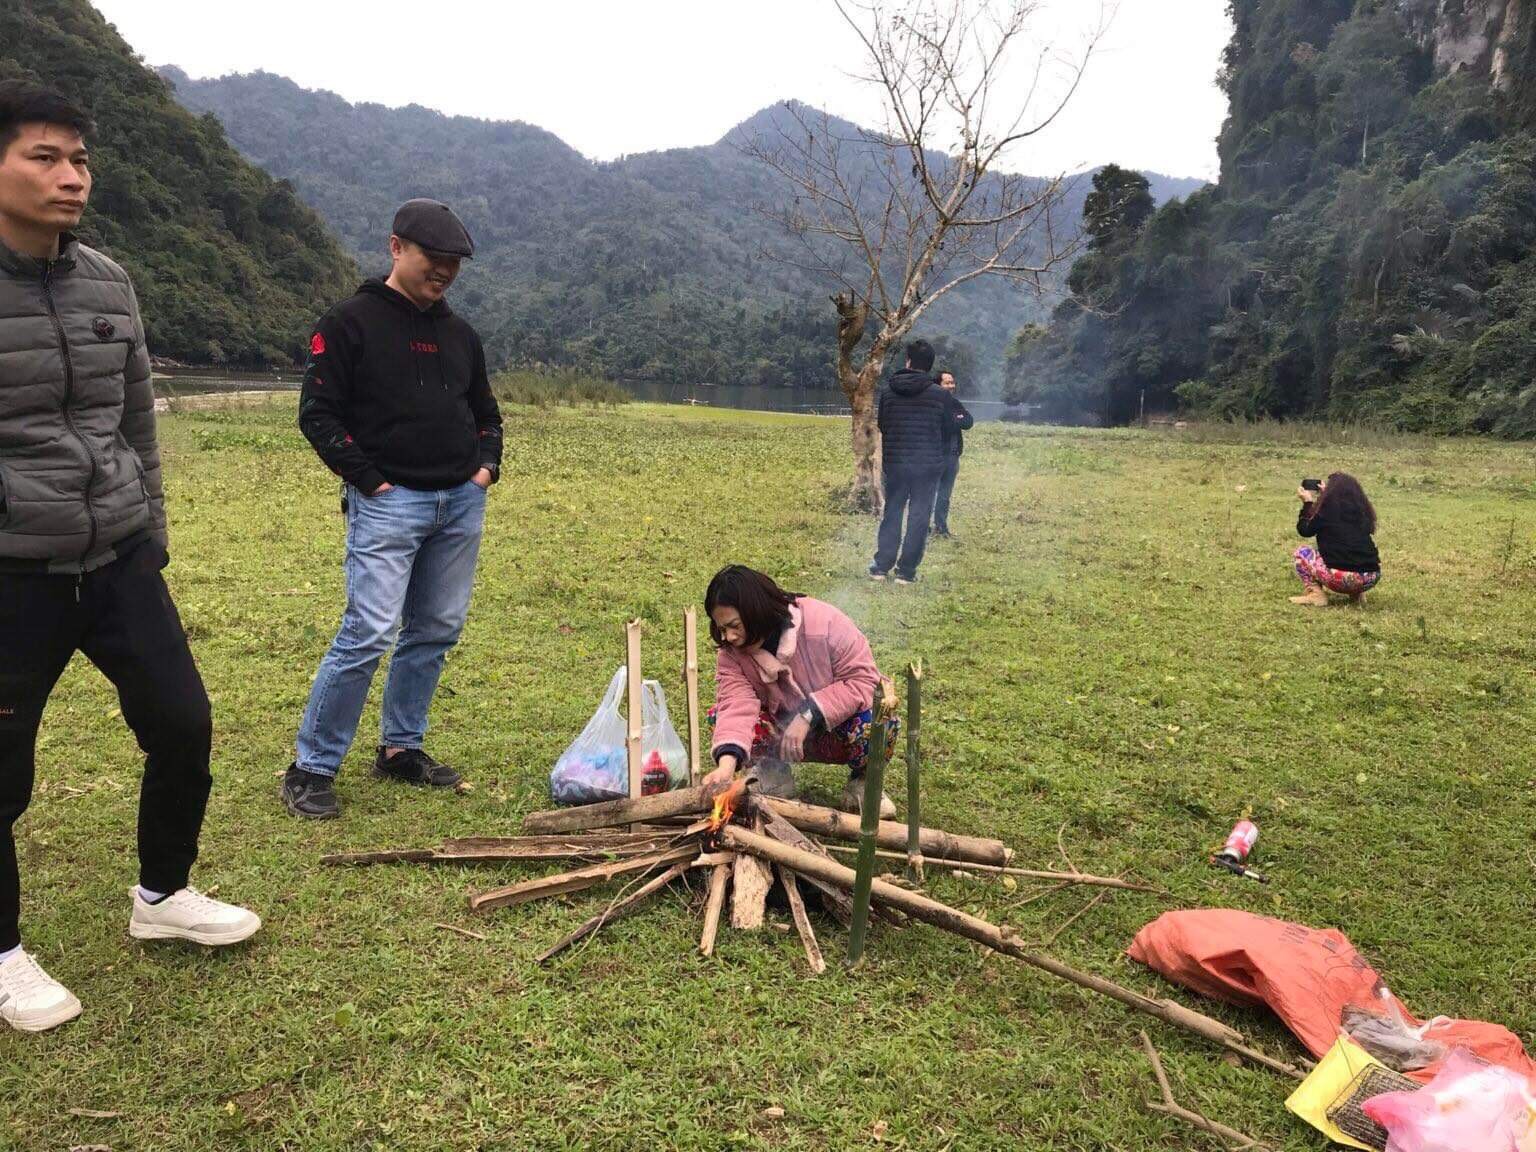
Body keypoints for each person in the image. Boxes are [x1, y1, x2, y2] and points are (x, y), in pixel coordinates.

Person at [0, 82, 260, 1033]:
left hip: (114, 557)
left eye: (80, 160)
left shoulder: (108, 282)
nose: (71, 178)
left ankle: (162, 897)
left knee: (183, 724)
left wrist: (147, 527)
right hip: (12, 572)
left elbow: (135, 421)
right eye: (45, 157)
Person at [281, 199, 504, 820]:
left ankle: (401, 748)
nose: (445, 273)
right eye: (434, 259)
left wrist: (486, 468)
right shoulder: (348, 323)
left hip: (459, 503)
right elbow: (317, 414)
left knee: (435, 629)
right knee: (369, 630)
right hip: (389, 504)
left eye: (454, 264)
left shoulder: (461, 334)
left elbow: (486, 412)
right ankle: (312, 766)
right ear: (396, 247)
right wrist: (371, 482)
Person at [701, 566, 898, 818]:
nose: (727, 636)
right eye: (721, 628)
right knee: (718, 715)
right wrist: (726, 769)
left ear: (755, 611)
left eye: (734, 626)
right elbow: (735, 703)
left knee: (880, 719)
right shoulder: (732, 654)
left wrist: (808, 714)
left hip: (837, 730)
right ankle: (773, 774)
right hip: (781, 735)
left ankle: (863, 784)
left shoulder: (824, 622)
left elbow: (863, 681)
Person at [870, 339, 973, 583]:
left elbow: (883, 425)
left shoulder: (887, 392)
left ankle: (881, 566)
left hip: (895, 463)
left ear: (908, 361)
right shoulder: (940, 396)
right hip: (927, 466)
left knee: (893, 511)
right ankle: (906, 572)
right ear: (929, 366)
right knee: (919, 515)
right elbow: (948, 428)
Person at [1292, 472, 1381, 607]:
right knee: (1346, 550)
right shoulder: (1363, 513)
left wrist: (1308, 503)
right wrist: (1325, 497)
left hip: (1341, 580)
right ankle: (1357, 595)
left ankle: (1316, 595)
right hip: (1371, 577)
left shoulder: (1326, 512)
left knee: (1302, 552)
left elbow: (1305, 530)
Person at [931, 369, 972, 538]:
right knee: (928, 495)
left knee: (944, 496)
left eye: (952, 382)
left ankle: (941, 528)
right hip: (934, 457)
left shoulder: (955, 403)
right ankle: (922, 529)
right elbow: (945, 425)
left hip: (952, 456)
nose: (951, 386)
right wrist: (957, 419)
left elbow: (969, 422)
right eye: (947, 382)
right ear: (937, 385)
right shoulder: (931, 404)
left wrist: (955, 419)